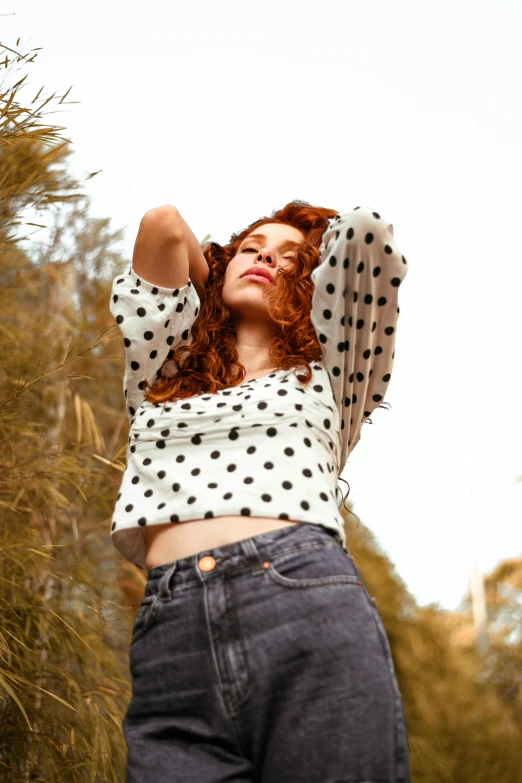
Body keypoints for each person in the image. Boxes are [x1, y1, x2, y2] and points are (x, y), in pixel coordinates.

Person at [109, 200, 410, 782]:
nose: (267, 256)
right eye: (252, 248)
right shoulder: (165, 367)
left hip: (302, 601)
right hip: (173, 634)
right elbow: (162, 225)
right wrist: (217, 280)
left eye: (289, 259)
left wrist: (286, 260)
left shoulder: (333, 372)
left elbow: (368, 232)